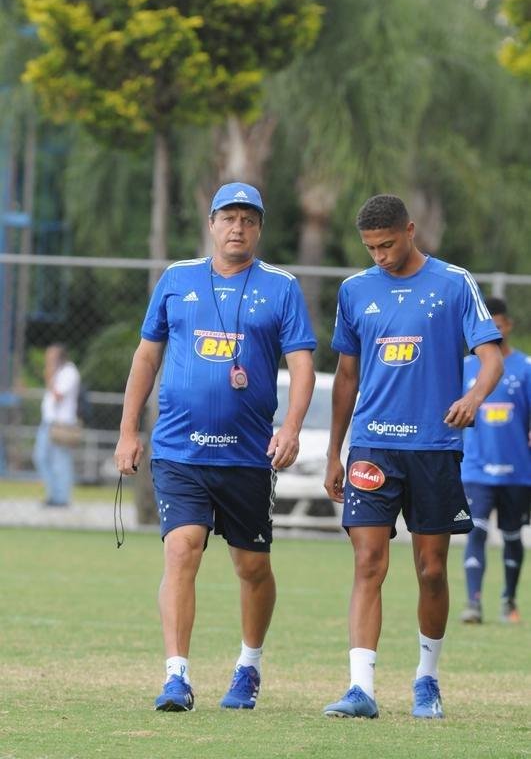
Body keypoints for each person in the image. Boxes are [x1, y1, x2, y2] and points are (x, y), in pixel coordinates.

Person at [114, 182, 316, 713]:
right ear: (211, 223)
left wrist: (292, 426)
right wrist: (128, 430)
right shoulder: (177, 280)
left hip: (248, 456)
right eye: (229, 217)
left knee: (252, 567)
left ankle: (249, 665)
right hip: (180, 450)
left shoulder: (282, 287)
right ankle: (176, 676)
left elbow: (300, 366)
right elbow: (145, 358)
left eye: (248, 220)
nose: (238, 228)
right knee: (182, 548)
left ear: (259, 229)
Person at [323, 194, 503, 720]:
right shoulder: (354, 291)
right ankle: (361, 689)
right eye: (370, 248)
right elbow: (347, 377)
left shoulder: (454, 283)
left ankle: (427, 678)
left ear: (410, 229)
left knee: (430, 570)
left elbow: (490, 358)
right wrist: (335, 452)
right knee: (368, 563)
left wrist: (472, 398)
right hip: (374, 447)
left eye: (387, 244)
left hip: (434, 447)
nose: (379, 255)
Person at [460, 297, 531, 625]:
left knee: (513, 536)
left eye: (499, 326)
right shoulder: (466, 367)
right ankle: (473, 603)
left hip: (517, 472)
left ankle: (508, 599)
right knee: (475, 531)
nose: (494, 332)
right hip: (475, 469)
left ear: (508, 326)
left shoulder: (525, 369)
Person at [32, 343, 81, 507]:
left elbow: (58, 395)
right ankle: (53, 494)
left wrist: (50, 372)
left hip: (62, 425)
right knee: (41, 457)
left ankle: (61, 498)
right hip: (49, 422)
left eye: (51, 356)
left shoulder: (69, 372)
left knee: (61, 461)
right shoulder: (59, 372)